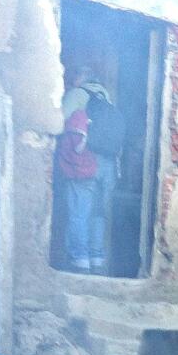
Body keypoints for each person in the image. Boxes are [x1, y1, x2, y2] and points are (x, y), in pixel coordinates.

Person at [59, 67, 120, 273]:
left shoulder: (78, 95)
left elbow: (58, 121)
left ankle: (79, 260)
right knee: (98, 213)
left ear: (81, 77)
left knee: (78, 211)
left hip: (86, 160)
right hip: (109, 165)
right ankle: (97, 258)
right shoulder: (107, 98)